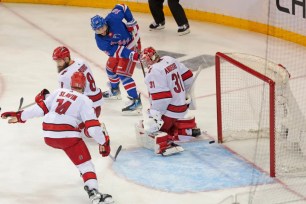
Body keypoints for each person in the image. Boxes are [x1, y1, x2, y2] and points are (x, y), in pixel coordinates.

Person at [1, 72, 114, 204]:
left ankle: (84, 173)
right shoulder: (85, 100)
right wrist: (103, 142)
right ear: (84, 86)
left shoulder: (58, 91)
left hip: (48, 135)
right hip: (67, 136)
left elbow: (39, 109)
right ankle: (93, 192)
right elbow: (94, 129)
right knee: (86, 164)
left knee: (78, 130)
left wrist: (20, 116)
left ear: (71, 83)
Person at [135, 47, 201, 156]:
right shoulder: (169, 59)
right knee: (166, 122)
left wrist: (155, 115)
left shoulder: (153, 71)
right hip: (183, 106)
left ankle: (167, 142)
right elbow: (188, 76)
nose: (145, 63)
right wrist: (182, 95)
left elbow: (162, 98)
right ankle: (187, 131)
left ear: (149, 59)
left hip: (171, 109)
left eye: (146, 60)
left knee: (150, 128)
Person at [90, 4, 142, 115]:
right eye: (98, 30)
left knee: (123, 74)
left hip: (133, 42)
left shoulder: (113, 18)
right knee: (110, 68)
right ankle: (115, 91)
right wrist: (132, 55)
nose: (102, 31)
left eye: (103, 27)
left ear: (105, 23)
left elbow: (123, 6)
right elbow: (119, 52)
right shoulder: (101, 42)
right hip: (124, 50)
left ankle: (136, 101)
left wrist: (130, 22)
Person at [52, 46, 103, 117]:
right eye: (56, 62)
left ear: (66, 59)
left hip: (87, 109)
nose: (57, 65)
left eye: (59, 61)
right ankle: (97, 126)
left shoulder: (64, 76)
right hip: (97, 104)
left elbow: (64, 98)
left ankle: (96, 127)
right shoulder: (81, 61)